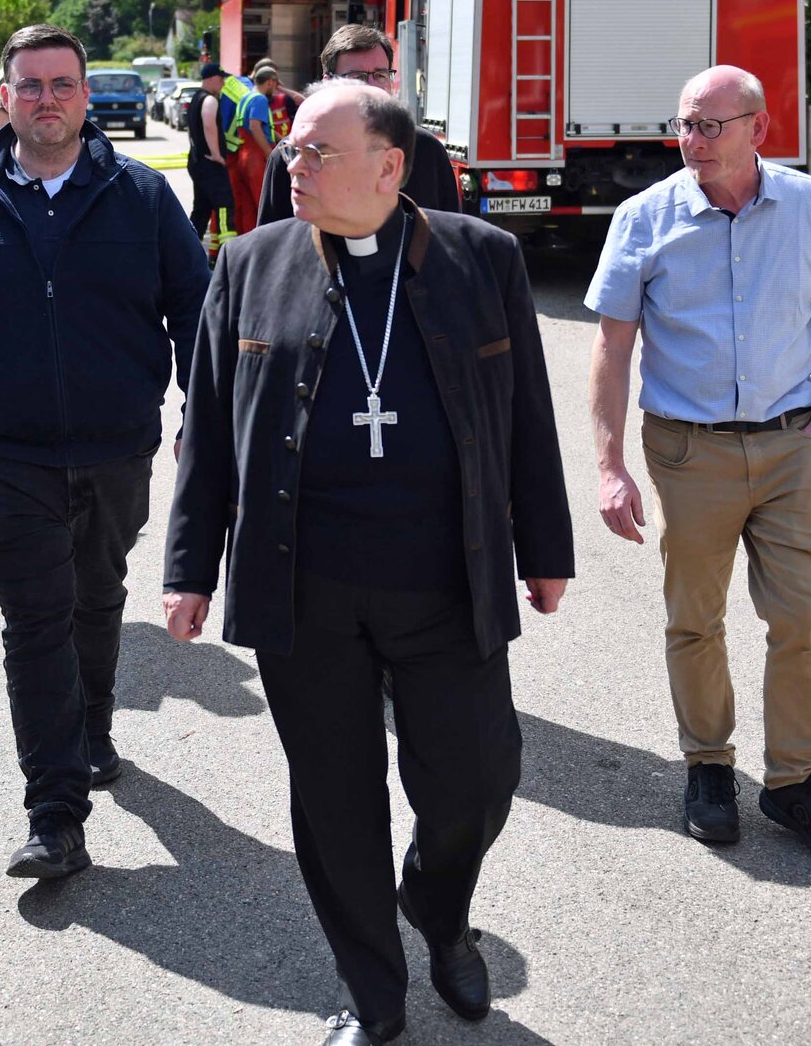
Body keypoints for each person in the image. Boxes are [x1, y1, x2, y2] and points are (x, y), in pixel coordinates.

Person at [163, 81, 573, 1046]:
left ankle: (439, 905)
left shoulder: (484, 259)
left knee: (478, 778)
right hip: (304, 585)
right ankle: (372, 993)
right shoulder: (250, 266)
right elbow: (209, 433)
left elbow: (527, 416)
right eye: (293, 151)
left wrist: (545, 546)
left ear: (389, 167)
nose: (291, 165)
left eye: (315, 152)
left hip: (444, 575)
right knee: (336, 797)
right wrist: (190, 564)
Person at [0, 24, 210, 881]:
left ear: (85, 96)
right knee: (35, 618)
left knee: (98, 594)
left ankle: (93, 723)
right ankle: (55, 814)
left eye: (62, 84)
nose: (46, 99)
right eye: (30, 85)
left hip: (114, 443)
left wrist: (205, 416)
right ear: (4, 95)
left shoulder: (138, 194)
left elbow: (193, 307)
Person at [586, 64, 811, 872]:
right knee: (695, 615)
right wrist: (611, 466)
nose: (694, 141)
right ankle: (708, 764)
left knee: (803, 617)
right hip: (689, 449)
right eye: (684, 124)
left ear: (759, 127)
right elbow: (612, 348)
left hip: (793, 447)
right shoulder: (645, 218)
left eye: (712, 125)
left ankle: (794, 781)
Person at [257, 25, 462, 224]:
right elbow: (270, 248)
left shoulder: (426, 150)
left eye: (380, 75)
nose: (372, 86)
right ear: (328, 82)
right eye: (357, 77)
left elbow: (451, 239)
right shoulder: (292, 155)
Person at [186, 64, 235, 255]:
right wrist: (216, 154)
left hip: (197, 162)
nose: (223, 82)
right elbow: (209, 125)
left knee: (201, 209)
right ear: (211, 78)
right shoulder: (209, 100)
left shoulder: (195, 98)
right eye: (221, 78)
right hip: (210, 163)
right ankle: (227, 250)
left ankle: (188, 250)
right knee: (224, 204)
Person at [216, 68, 272, 237]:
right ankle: (266, 243)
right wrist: (270, 154)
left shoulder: (244, 98)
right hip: (255, 156)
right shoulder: (259, 99)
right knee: (262, 202)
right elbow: (256, 126)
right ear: (270, 82)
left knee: (246, 203)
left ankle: (248, 240)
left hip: (241, 154)